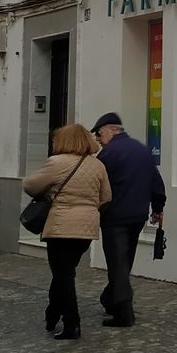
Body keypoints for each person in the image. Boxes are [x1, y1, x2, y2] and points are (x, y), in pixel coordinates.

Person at [23, 122, 111, 341]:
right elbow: (106, 197)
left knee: (63, 275)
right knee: (65, 273)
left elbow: (30, 185)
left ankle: (72, 324)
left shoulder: (56, 162)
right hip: (86, 228)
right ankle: (52, 314)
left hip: (61, 226)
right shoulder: (97, 165)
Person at [91, 112, 165, 328]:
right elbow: (156, 182)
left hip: (114, 217)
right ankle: (110, 299)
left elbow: (98, 185)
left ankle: (124, 313)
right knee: (124, 260)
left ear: (111, 130)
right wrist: (158, 208)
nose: (97, 139)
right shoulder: (142, 150)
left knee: (117, 262)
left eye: (99, 134)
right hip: (137, 216)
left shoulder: (108, 155)